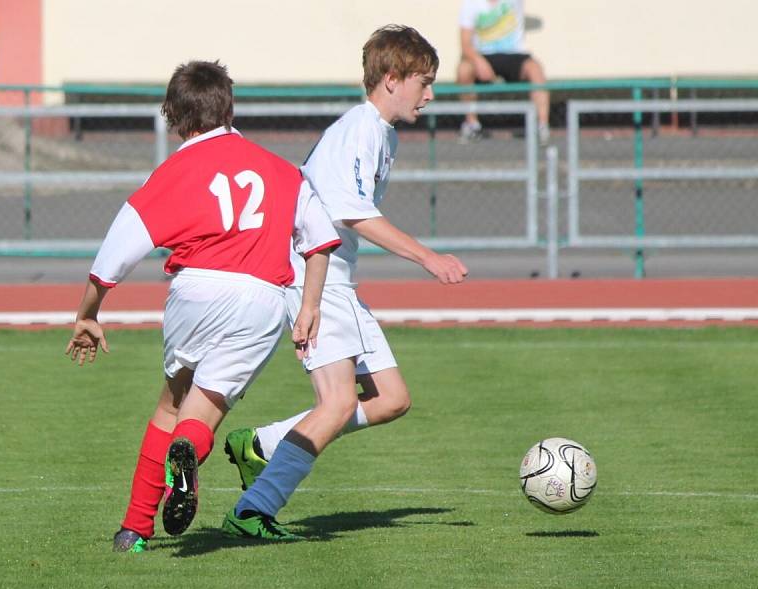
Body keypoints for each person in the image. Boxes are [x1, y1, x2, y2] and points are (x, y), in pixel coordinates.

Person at [64, 60, 340, 553]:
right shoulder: (280, 170)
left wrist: (89, 312)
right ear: (228, 108)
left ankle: (133, 529)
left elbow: (114, 254)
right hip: (259, 297)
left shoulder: (175, 170)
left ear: (174, 116)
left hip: (194, 290)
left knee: (171, 402)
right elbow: (320, 242)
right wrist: (310, 308)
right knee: (201, 414)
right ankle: (187, 453)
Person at [220, 24, 468, 541]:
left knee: (392, 398)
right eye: (424, 82)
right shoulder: (360, 128)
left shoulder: (382, 132)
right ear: (392, 78)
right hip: (318, 277)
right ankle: (253, 509)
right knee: (335, 403)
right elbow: (351, 212)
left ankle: (263, 444)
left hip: (338, 280)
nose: (431, 94)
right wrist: (427, 257)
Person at [455, 0, 550, 144]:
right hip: (483, 55)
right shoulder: (471, 4)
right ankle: (472, 125)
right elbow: (465, 44)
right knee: (464, 70)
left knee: (536, 70)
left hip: (514, 55)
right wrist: (479, 62)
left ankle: (541, 126)